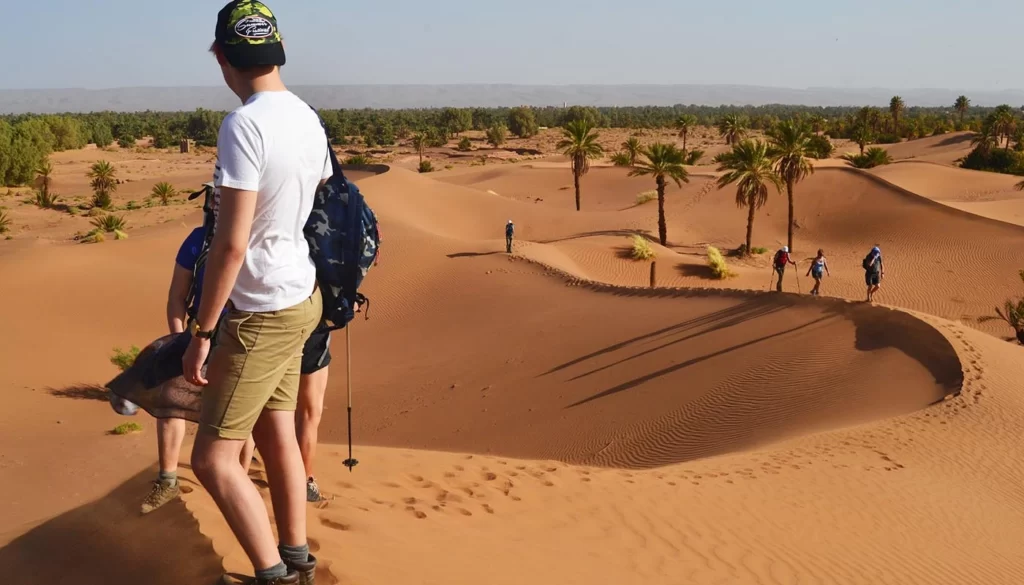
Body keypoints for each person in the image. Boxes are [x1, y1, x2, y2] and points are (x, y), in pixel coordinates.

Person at [184, 3, 330, 583]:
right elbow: (314, 191)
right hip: (302, 295)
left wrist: (201, 332)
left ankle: (275, 576)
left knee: (213, 459)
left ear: (222, 56)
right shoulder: (306, 116)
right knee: (277, 432)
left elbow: (230, 245)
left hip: (261, 308)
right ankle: (297, 557)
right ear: (278, 50)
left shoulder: (244, 125)